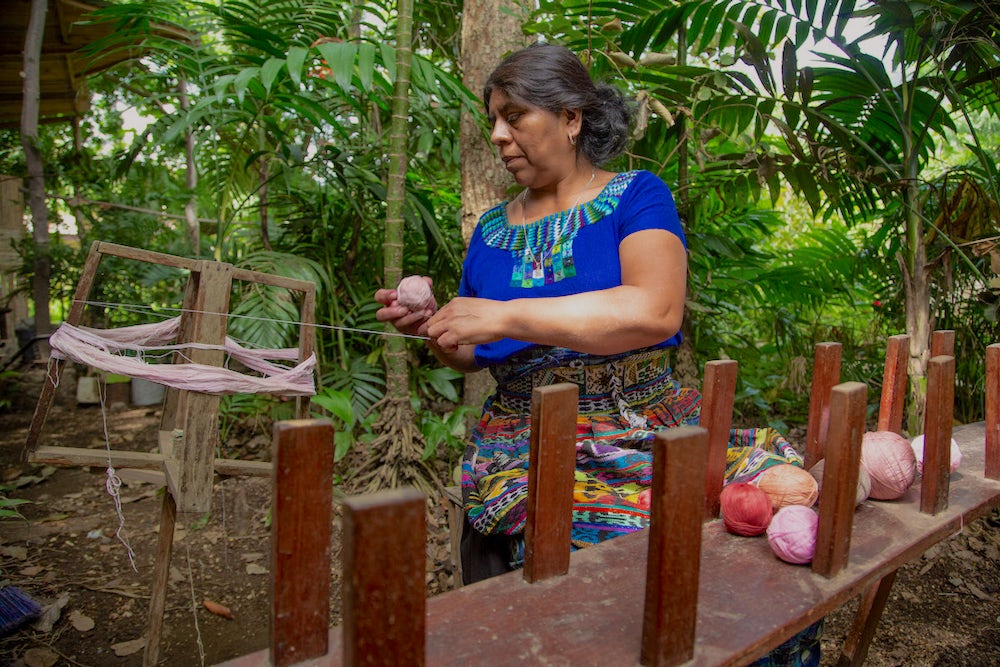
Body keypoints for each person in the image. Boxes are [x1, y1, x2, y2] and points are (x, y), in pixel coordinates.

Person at [375, 43, 819, 665]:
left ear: (572, 118)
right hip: (528, 436)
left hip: (650, 419)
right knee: (603, 567)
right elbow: (475, 358)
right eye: (493, 120)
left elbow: (654, 310)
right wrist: (442, 332)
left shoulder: (636, 195)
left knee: (760, 534)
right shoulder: (490, 232)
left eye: (515, 116)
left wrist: (504, 313)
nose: (498, 135)